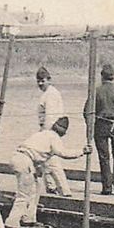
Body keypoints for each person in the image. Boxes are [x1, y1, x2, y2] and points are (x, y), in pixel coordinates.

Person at [8, 117, 91, 227]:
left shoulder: (42, 134)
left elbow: (37, 153)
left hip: (18, 158)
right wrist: (82, 151)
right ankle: (11, 222)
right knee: (24, 194)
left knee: (35, 188)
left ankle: (29, 218)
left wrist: (37, 169)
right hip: (25, 161)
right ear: (63, 133)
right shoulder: (54, 138)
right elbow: (63, 153)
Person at [84, 63, 114, 195]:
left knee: (104, 157)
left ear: (102, 77)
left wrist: (90, 128)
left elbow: (87, 111)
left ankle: (106, 187)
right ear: (113, 76)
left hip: (101, 125)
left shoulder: (96, 92)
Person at [36, 67, 72, 196]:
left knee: (52, 162)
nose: (40, 83)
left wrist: (45, 135)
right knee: (45, 160)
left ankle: (65, 191)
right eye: (38, 81)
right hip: (48, 131)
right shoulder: (48, 93)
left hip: (50, 131)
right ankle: (51, 187)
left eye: (43, 81)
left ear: (49, 80)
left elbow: (50, 116)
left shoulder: (51, 94)